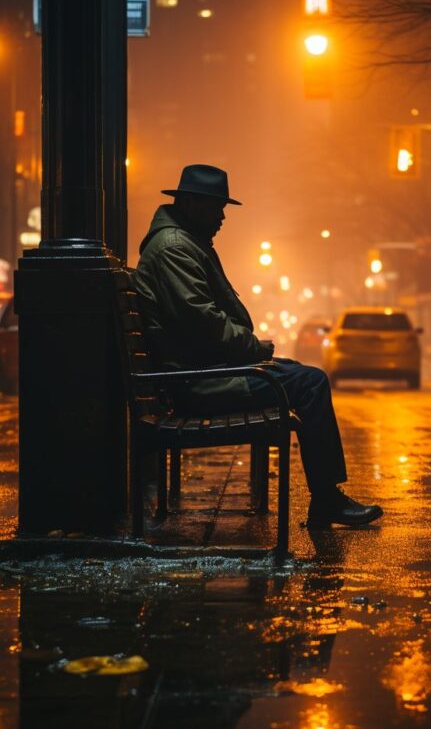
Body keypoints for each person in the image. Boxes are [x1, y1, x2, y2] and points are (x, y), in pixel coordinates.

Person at [134, 164, 383, 529]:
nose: (222, 216)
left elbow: (203, 323)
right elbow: (204, 324)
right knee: (310, 382)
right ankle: (327, 501)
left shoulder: (182, 243)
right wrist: (254, 348)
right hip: (196, 384)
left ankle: (328, 500)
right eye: (215, 207)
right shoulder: (175, 249)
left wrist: (253, 350)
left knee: (301, 375)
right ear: (189, 203)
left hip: (202, 373)